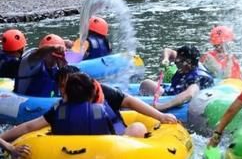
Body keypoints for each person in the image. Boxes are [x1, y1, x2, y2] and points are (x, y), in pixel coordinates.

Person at [0, 72, 157, 142]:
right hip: (106, 149)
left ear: (67, 94)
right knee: (137, 127)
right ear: (91, 93)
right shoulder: (100, 111)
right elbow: (117, 134)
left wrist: (2, 138)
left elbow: (28, 127)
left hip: (63, 150)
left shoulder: (58, 111)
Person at [139, 45, 214, 112]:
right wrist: (166, 59)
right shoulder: (187, 62)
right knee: (146, 83)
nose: (175, 63)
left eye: (177, 62)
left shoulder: (197, 78)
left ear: (188, 62)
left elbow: (189, 94)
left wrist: (162, 106)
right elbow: (168, 51)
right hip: (175, 92)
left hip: (185, 102)